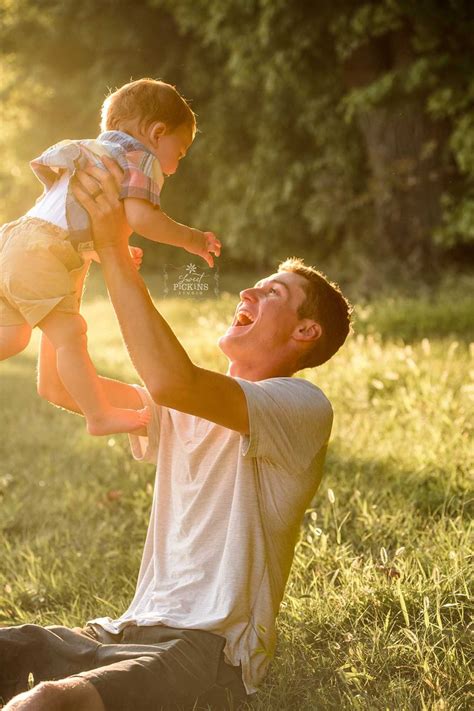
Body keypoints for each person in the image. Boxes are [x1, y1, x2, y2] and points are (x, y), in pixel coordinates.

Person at [0, 162, 352, 711]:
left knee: (49, 702)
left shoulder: (300, 407)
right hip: (122, 631)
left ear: (306, 332)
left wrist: (118, 254)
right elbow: (60, 385)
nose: (249, 292)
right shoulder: (179, 408)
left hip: (209, 650)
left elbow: (173, 380)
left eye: (273, 293)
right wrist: (68, 269)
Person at [0, 78, 220, 436]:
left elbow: (71, 219)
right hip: (40, 251)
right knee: (71, 335)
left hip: (13, 241)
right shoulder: (140, 159)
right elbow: (142, 218)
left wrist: (103, 251)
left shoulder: (92, 152)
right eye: (179, 152)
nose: (176, 167)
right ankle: (99, 414)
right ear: (157, 132)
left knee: (11, 338)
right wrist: (191, 239)